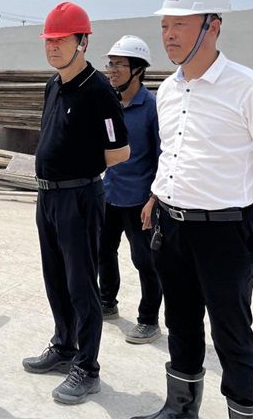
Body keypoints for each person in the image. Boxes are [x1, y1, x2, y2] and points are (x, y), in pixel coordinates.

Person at [133, 0, 253, 419]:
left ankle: (240, 411)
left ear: (213, 26)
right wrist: (158, 196)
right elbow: (171, 154)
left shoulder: (251, 89)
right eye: (165, 25)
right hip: (173, 229)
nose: (169, 35)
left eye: (180, 24)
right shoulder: (168, 90)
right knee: (180, 323)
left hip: (226, 231)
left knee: (232, 333)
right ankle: (180, 408)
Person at [22, 2, 130, 405]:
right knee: (55, 277)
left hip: (79, 197)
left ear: (82, 42)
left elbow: (119, 151)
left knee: (81, 284)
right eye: (48, 40)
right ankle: (64, 345)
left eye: (61, 40)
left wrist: (79, 167)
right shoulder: (53, 85)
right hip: (47, 196)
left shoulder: (99, 91)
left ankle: (87, 367)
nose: (52, 47)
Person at [99, 35, 163, 344]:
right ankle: (107, 302)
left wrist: (154, 199)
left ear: (137, 69)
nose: (112, 70)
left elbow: (163, 155)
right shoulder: (109, 103)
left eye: (119, 65)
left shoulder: (152, 107)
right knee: (103, 251)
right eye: (110, 64)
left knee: (145, 260)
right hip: (110, 192)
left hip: (140, 199)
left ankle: (149, 320)